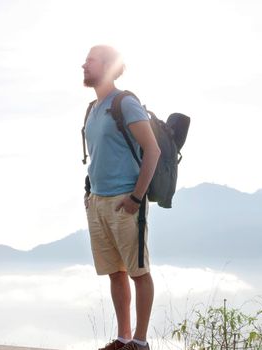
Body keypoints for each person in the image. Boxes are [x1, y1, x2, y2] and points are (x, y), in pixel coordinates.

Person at [82, 45, 161, 350]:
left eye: (90, 61)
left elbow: (152, 150)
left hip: (126, 203)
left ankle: (140, 343)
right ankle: (123, 338)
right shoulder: (93, 108)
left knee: (139, 272)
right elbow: (99, 156)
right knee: (116, 272)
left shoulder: (125, 103)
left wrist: (137, 198)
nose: (84, 65)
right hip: (98, 202)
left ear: (109, 66)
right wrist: (89, 193)